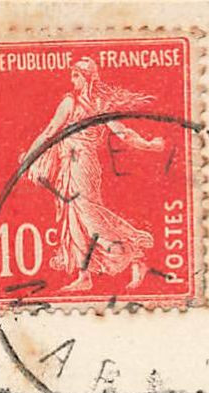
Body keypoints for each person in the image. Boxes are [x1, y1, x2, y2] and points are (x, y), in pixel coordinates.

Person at [20, 56, 165, 293]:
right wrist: (29, 156)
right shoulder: (71, 102)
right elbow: (49, 132)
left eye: (76, 75)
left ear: (87, 78)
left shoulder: (98, 105)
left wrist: (148, 145)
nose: (72, 80)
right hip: (69, 163)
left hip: (85, 164)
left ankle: (133, 249)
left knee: (88, 213)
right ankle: (84, 275)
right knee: (73, 218)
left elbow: (124, 133)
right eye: (72, 75)